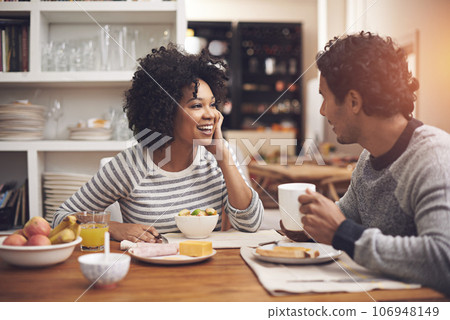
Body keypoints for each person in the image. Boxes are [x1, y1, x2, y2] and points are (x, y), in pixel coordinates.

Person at [285, 31, 450, 295]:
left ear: (353, 101)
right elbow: (346, 215)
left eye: (324, 97)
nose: (322, 111)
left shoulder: (435, 157)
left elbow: (443, 259)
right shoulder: (368, 158)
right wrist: (310, 226)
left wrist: (342, 233)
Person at [52, 44, 263, 242]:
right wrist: (114, 228)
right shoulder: (130, 165)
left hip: (206, 271)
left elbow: (251, 224)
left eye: (213, 105)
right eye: (197, 105)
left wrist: (224, 158)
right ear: (166, 111)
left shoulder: (219, 159)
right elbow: (60, 218)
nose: (211, 115)